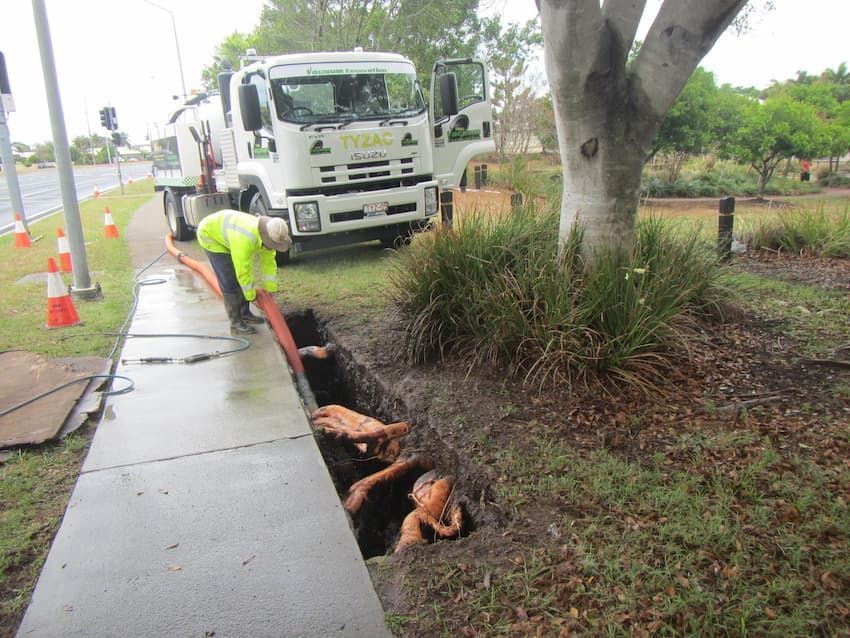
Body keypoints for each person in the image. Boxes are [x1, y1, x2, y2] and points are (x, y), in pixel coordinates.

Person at [196, 210, 292, 335]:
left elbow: (269, 264)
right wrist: (251, 295)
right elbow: (243, 271)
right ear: (266, 239)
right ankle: (235, 323)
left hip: (227, 233)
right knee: (229, 280)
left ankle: (245, 314)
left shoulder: (269, 232)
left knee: (238, 279)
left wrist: (270, 289)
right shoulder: (246, 239)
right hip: (210, 235)